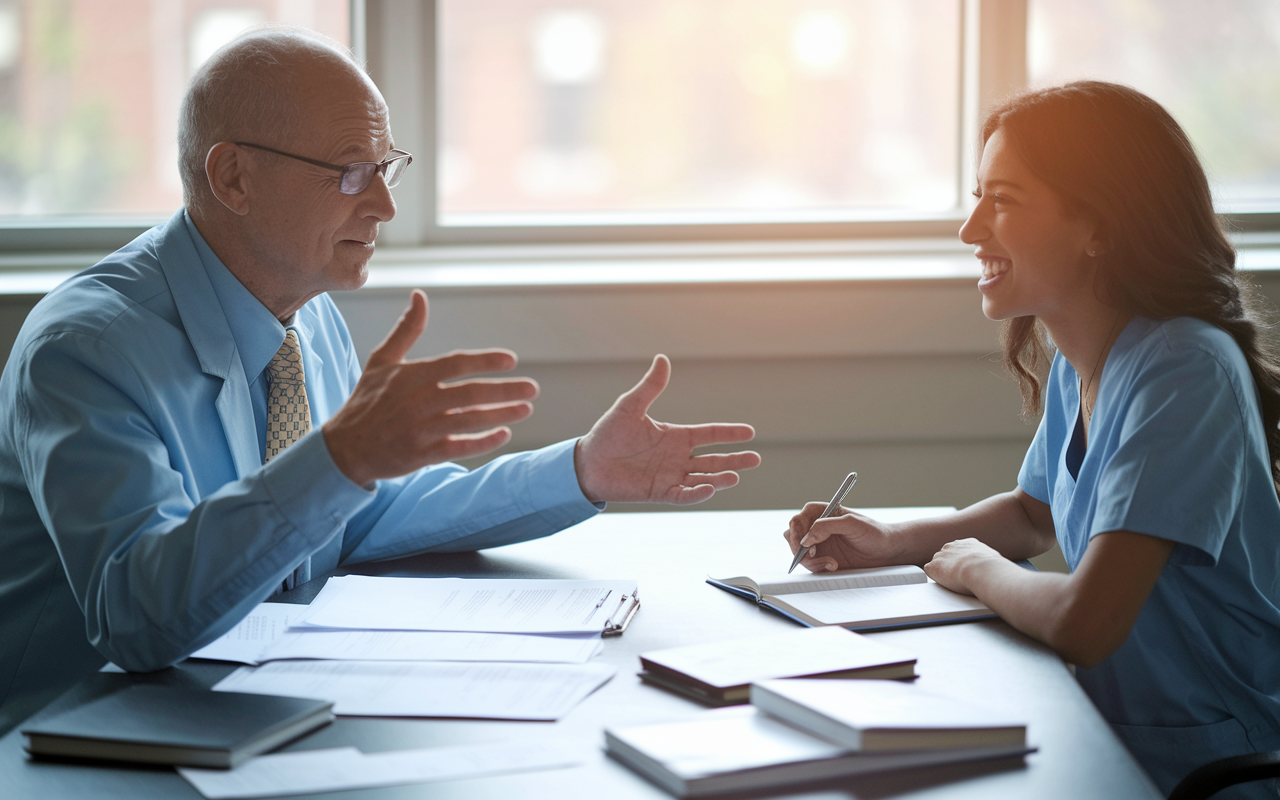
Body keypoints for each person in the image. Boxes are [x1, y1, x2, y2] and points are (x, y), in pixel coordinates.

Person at [0, 27, 760, 735]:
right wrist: (342, 459)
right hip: (72, 736)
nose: (387, 205)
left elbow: (346, 515)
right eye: (351, 171)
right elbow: (135, 616)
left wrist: (580, 471)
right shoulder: (86, 350)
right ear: (233, 175)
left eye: (387, 168)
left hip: (237, 712)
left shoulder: (305, 313)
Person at [785, 81, 1280, 797]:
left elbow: (1085, 623)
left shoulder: (1184, 372)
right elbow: (1033, 515)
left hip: (1213, 769)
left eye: (1005, 200)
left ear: (1098, 226)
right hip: (1116, 735)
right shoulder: (1084, 359)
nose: (970, 228)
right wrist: (893, 542)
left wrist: (976, 569)